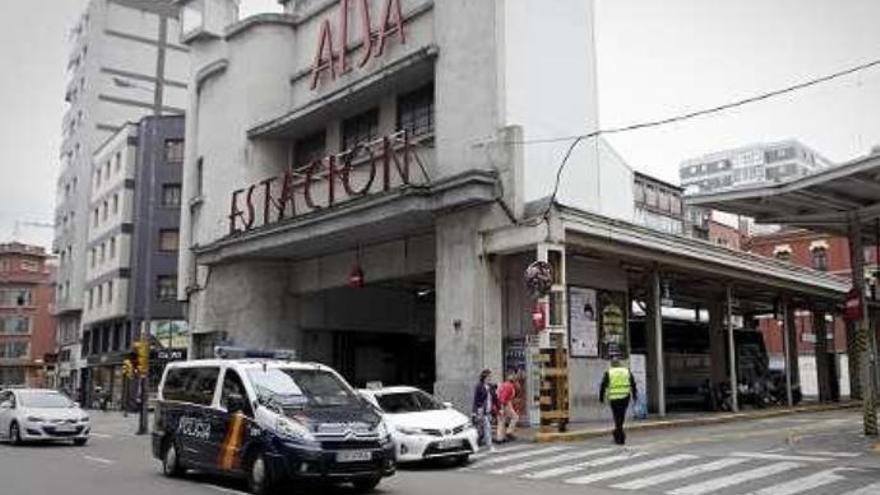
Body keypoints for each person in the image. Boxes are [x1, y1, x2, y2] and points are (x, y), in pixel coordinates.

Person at [599, 356, 638, 445]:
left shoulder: (609, 372)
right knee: (622, 416)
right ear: (619, 364)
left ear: (612, 364)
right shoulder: (626, 371)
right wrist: (635, 395)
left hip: (614, 398)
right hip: (625, 397)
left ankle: (619, 435)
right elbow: (633, 383)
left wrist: (601, 397)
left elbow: (603, 385)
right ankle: (618, 433)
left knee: (616, 416)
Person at [472, 368, 498, 452]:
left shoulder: (490, 386)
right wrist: (474, 412)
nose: (490, 378)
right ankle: (487, 446)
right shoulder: (479, 386)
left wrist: (499, 408)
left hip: (488, 411)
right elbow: (476, 400)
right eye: (489, 376)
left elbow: (495, 398)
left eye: (490, 376)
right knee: (482, 429)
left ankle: (486, 446)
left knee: (485, 429)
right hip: (481, 410)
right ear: (485, 377)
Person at [496, 371, 519, 442]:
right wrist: (502, 408)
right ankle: (509, 431)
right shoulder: (509, 386)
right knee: (515, 417)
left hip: (499, 403)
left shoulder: (504, 384)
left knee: (501, 420)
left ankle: (500, 438)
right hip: (504, 404)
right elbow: (503, 398)